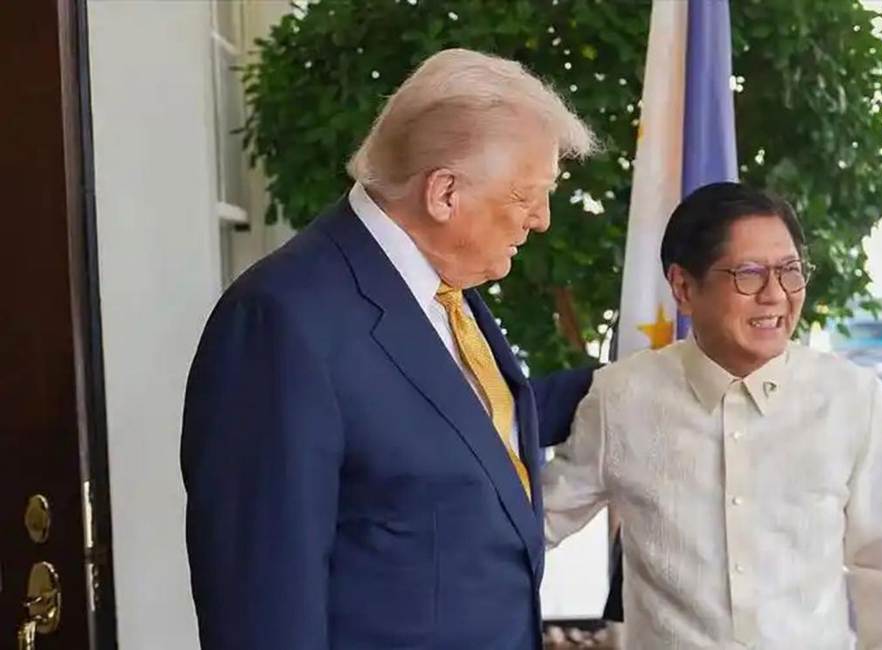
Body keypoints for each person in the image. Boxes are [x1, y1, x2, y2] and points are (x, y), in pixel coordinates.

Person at [182, 49, 596, 649]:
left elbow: (464, 444)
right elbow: (261, 608)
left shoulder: (444, 288)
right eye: (526, 195)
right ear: (444, 193)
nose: (541, 220)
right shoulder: (281, 319)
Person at [543, 182, 882, 649]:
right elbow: (533, 528)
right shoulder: (621, 398)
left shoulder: (849, 398)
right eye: (749, 274)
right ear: (684, 288)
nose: (775, 294)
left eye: (790, 271)